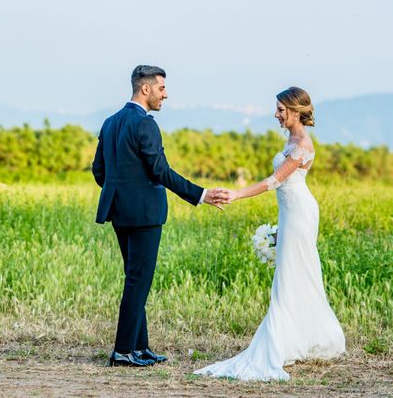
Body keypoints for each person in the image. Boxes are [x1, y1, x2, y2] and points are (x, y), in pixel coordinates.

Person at [194, 86, 345, 381]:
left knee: (292, 274)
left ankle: (285, 341)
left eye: (280, 109)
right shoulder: (291, 138)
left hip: (299, 214)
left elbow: (273, 182)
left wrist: (237, 194)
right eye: (276, 109)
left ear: (295, 110)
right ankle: (298, 336)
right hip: (289, 212)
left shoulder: (303, 144)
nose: (275, 114)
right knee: (293, 274)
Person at [92, 65, 223, 367]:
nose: (166, 94)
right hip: (145, 216)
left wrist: (122, 195)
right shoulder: (145, 124)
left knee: (136, 280)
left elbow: (99, 171)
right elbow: (160, 171)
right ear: (146, 88)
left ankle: (141, 346)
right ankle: (124, 351)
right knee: (138, 281)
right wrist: (201, 194)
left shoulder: (110, 122)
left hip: (119, 214)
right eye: (162, 88)